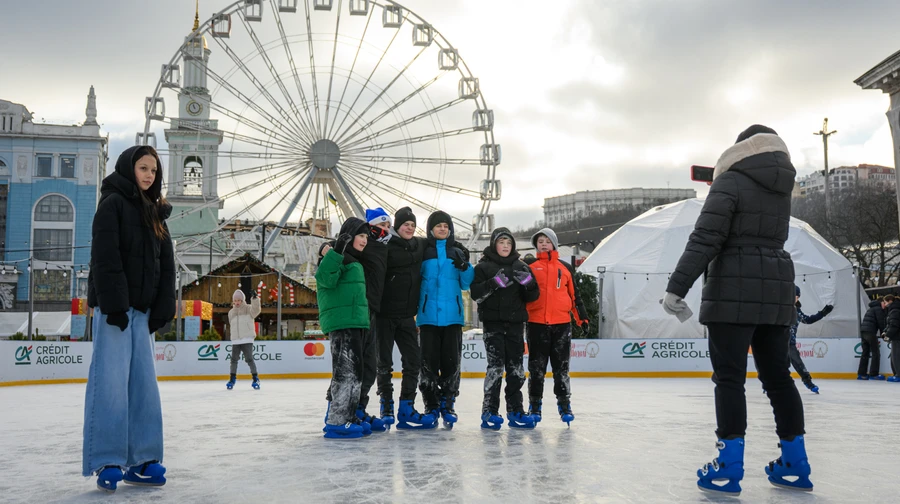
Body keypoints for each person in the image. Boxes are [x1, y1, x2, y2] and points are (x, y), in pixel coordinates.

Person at [663, 125, 812, 495]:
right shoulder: (782, 188)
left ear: (741, 148)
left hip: (731, 289)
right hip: (776, 289)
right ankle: (796, 461)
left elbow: (706, 236)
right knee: (778, 377)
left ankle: (728, 466)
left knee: (730, 378)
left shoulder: (730, 181)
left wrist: (676, 287)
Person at [83, 145, 175, 492]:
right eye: (143, 168)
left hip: (144, 313)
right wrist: (115, 306)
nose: (149, 175)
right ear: (128, 168)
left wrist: (164, 306)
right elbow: (105, 258)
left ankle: (143, 459)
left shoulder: (157, 213)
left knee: (144, 388)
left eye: (154, 169)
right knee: (110, 386)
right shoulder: (112, 205)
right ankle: (107, 459)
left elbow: (166, 266)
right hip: (116, 312)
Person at [470, 228, 540, 430]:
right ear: (494, 244)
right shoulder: (482, 267)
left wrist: (528, 284)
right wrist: (492, 283)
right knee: (495, 368)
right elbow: (476, 294)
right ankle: (489, 410)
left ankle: (516, 410)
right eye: (502, 243)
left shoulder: (522, 266)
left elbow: (533, 297)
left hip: (516, 325)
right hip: (493, 325)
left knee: (516, 370)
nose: (505, 246)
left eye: (509, 243)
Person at [375, 207, 437, 429]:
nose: (409, 228)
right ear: (396, 226)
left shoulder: (419, 245)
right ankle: (386, 406)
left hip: (406, 316)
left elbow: (441, 242)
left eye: (412, 224)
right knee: (384, 362)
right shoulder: (385, 246)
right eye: (405, 225)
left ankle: (406, 406)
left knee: (414, 361)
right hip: (383, 314)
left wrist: (458, 248)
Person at [524, 228, 588, 426]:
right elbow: (523, 293)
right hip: (536, 324)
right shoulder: (530, 267)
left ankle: (564, 404)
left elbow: (574, 295)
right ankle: (535, 405)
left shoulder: (565, 267)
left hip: (561, 325)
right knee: (537, 369)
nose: (543, 244)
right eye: (540, 241)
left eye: (547, 241)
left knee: (561, 369)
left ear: (554, 244)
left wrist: (582, 319)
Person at [417, 210, 474, 428]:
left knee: (451, 363)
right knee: (428, 364)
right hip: (428, 316)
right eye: (438, 226)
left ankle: (448, 403)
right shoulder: (425, 252)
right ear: (431, 229)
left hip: (452, 318)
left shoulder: (456, 252)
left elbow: (466, 283)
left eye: (446, 226)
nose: (443, 229)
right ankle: (431, 405)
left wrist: (465, 265)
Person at [317, 218, 372, 439]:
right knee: (345, 373)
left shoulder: (355, 261)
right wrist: (336, 251)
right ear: (348, 237)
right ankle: (337, 420)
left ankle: (348, 416)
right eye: (361, 236)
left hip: (355, 321)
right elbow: (325, 280)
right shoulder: (333, 258)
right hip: (342, 322)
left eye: (367, 237)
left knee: (355, 374)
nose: (365, 241)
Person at [353, 207, 393, 433]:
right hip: (359, 308)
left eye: (388, 226)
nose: (385, 229)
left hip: (374, 310)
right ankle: (342, 409)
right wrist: (323, 248)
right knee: (353, 364)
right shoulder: (363, 242)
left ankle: (359, 408)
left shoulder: (388, 246)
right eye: (381, 225)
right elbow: (341, 248)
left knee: (369, 365)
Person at [789, 285, 833, 393]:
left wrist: (822, 313)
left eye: (797, 296)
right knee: (776, 365)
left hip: (790, 343)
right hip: (777, 341)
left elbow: (808, 320)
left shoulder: (797, 311)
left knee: (799, 364)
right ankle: (769, 385)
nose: (795, 298)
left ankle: (809, 383)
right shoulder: (781, 308)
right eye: (792, 295)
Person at [226, 288, 262, 390]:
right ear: (233, 301)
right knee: (233, 360)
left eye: (239, 300)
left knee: (249, 359)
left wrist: (255, 299)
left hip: (247, 339)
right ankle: (232, 379)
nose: (237, 302)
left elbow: (256, 310)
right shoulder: (231, 312)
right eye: (235, 300)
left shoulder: (248, 309)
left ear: (242, 300)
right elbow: (231, 325)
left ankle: (255, 378)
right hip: (236, 340)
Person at [859, 295, 890, 380]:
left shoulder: (871, 308)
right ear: (881, 302)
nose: (885, 305)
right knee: (876, 352)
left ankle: (861, 374)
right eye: (884, 303)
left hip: (863, 331)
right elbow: (881, 323)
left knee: (865, 353)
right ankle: (874, 374)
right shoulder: (878, 309)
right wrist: (883, 334)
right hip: (870, 332)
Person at [884, 296, 900, 382]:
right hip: (896, 336)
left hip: (897, 337)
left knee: (896, 356)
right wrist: (885, 331)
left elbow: (894, 325)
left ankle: (898, 374)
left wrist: (888, 335)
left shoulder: (895, 310)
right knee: (894, 356)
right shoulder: (894, 310)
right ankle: (896, 373)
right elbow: (890, 324)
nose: (885, 305)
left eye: (885, 302)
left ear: (890, 301)